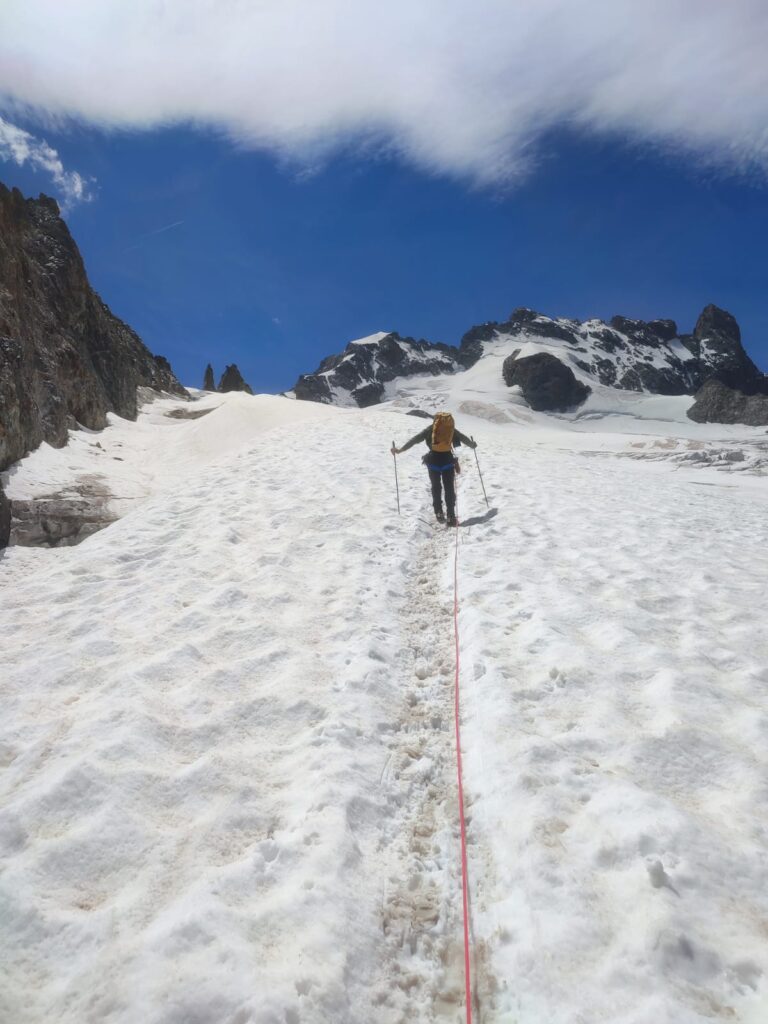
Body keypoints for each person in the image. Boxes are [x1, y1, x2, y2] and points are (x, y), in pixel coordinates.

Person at [391, 412, 477, 526]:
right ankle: (451, 516)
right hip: (447, 460)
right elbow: (463, 438)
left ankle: (438, 512)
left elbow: (415, 440)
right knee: (449, 487)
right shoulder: (451, 429)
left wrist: (400, 450)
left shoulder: (430, 429)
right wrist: (472, 444)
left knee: (436, 486)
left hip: (433, 461)